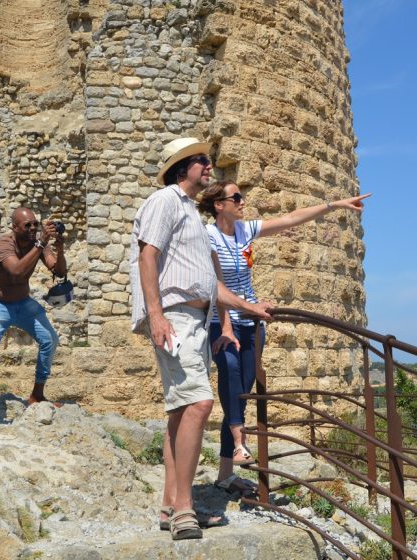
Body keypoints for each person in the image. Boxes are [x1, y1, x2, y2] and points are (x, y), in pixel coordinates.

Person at [130, 137, 273, 541]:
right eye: (202, 161)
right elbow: (147, 256)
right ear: (182, 169)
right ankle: (184, 510)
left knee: (180, 411)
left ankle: (169, 505)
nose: (209, 167)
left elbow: (211, 286)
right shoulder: (165, 201)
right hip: (174, 316)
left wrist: (252, 307)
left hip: (194, 316)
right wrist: (156, 314)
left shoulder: (191, 213)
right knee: (199, 403)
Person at [197, 180, 371, 494]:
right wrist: (226, 326)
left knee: (241, 392)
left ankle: (225, 473)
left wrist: (334, 204)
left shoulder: (245, 231)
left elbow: (291, 219)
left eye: (242, 196)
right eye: (236, 197)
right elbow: (215, 286)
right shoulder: (207, 237)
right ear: (219, 205)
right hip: (221, 322)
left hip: (251, 323)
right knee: (230, 373)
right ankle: (239, 442)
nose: (242, 201)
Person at [0, 207, 66, 422]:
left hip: (21, 301)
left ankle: (37, 394)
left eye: (35, 225)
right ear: (14, 227)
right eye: (27, 225)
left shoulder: (37, 244)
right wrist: (40, 244)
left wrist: (60, 247)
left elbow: (59, 271)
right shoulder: (2, 243)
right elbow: (17, 271)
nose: (32, 229)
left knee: (49, 339)